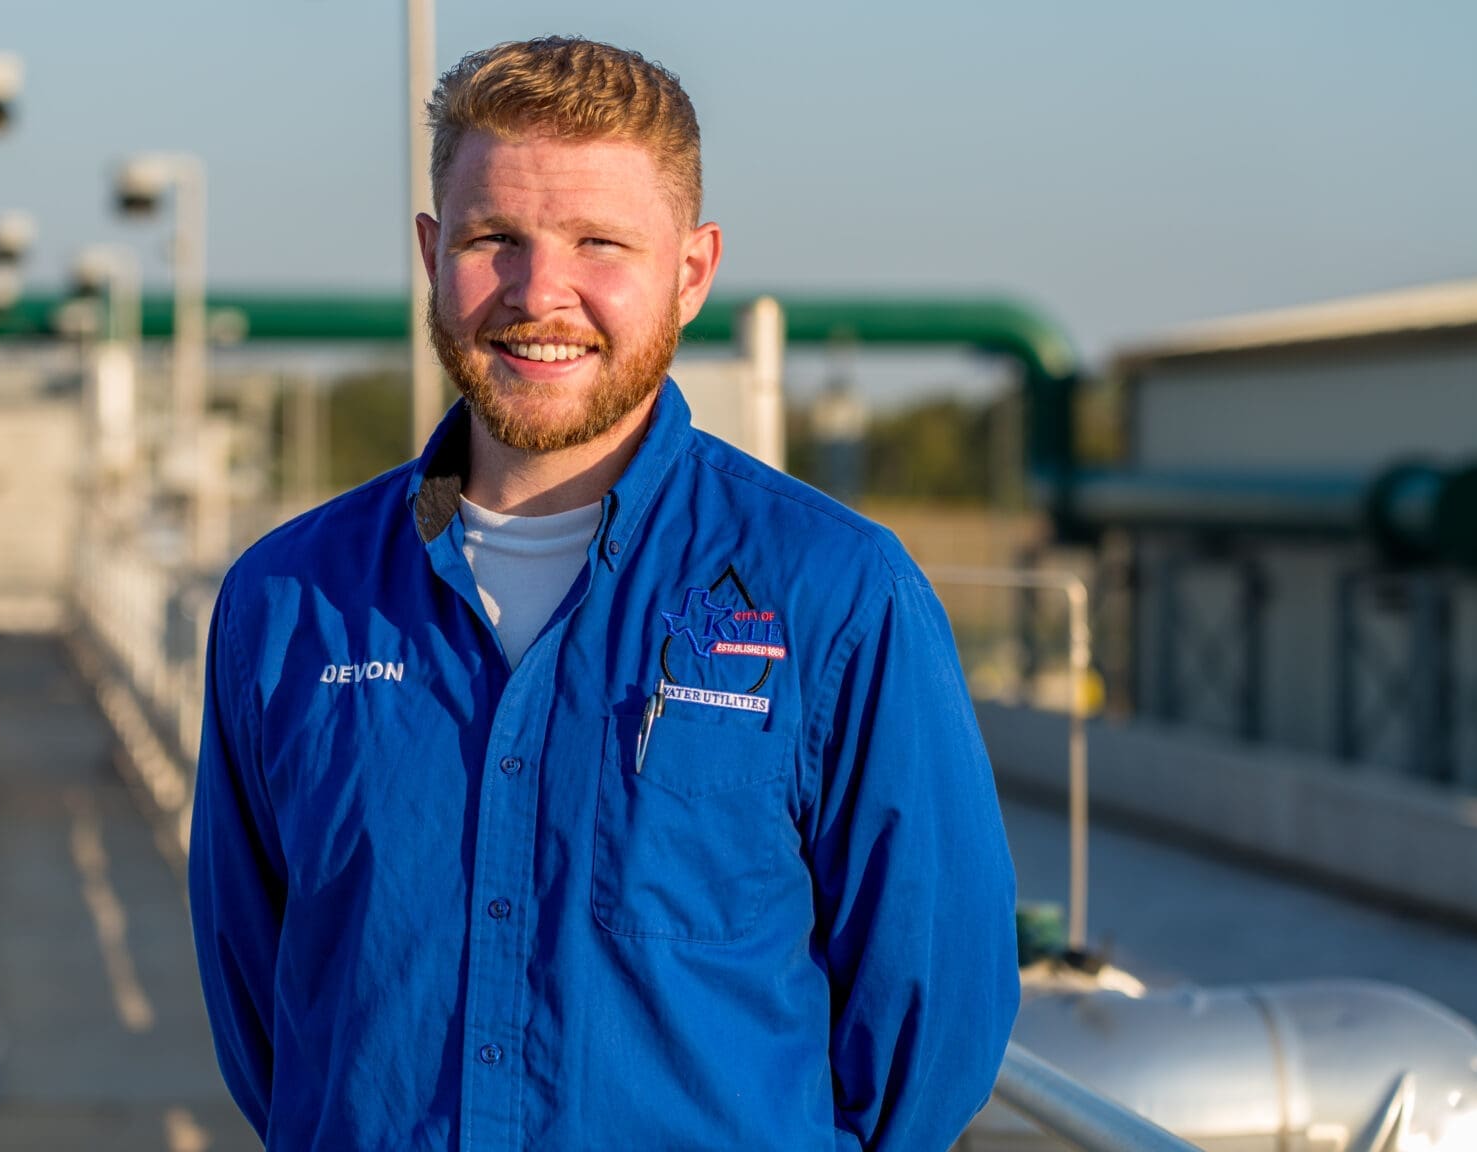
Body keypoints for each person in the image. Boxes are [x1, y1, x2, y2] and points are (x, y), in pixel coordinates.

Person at [190, 36, 1019, 1150]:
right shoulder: (286, 604)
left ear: (690, 271)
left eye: (599, 243)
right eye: (495, 240)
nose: (542, 294)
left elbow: (929, 1031)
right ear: (433, 255)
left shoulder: (835, 598)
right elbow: (268, 1020)